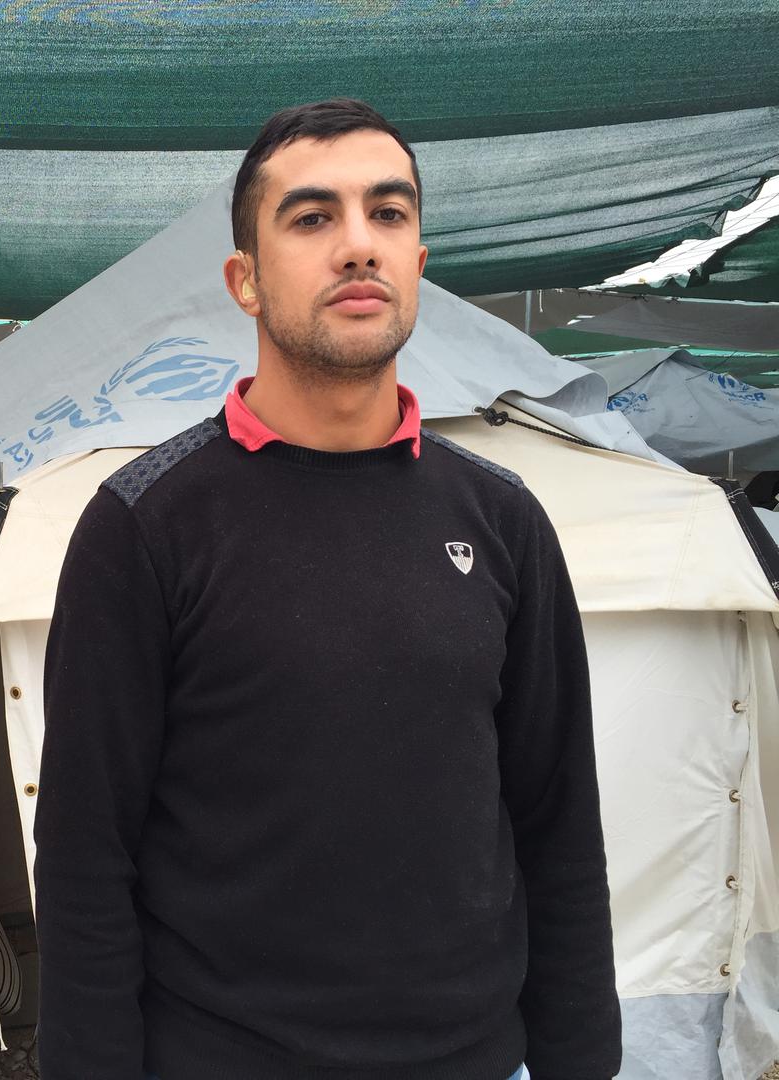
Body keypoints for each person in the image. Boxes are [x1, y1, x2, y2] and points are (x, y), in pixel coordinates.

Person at [34, 99, 621, 1080]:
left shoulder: (504, 521)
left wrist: (583, 1060)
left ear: (419, 263)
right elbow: (87, 860)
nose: (358, 245)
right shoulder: (143, 528)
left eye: (388, 215)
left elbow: (560, 823)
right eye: (312, 218)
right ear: (246, 281)